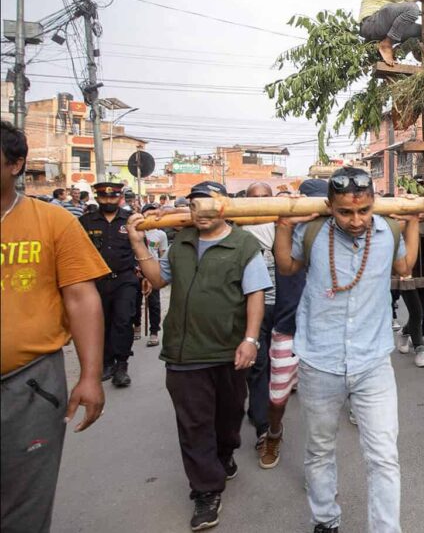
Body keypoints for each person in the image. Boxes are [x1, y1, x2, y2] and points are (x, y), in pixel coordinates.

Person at [273, 167, 420, 533]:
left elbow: (404, 266)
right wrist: (284, 225)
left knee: (384, 456)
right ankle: (325, 519)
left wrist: (413, 222)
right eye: (345, 212)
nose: (356, 220)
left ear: (374, 204)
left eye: (364, 210)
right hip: (319, 361)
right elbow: (287, 266)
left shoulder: (388, 230)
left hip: (373, 362)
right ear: (329, 206)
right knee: (320, 449)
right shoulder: (313, 230)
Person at [128, 181, 271, 531]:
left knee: (228, 417)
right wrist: (137, 243)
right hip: (184, 352)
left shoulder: (244, 245)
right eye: (196, 206)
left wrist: (250, 340)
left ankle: (224, 454)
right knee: (193, 424)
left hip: (228, 350)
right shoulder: (180, 245)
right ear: (189, 209)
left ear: (223, 208)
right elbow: (158, 280)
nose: (202, 214)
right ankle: (205, 492)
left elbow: (255, 294)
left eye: (209, 206)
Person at [0, 121, 108, 533]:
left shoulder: (54, 222)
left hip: (29, 384)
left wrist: (91, 376)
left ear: (15, 164)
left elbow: (82, 298)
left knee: (23, 508)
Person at [262, 178, 328, 470]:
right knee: (277, 398)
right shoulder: (286, 232)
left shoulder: (340, 236)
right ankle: (274, 433)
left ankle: (318, 464)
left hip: (325, 331)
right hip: (288, 326)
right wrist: (286, 224)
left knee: (321, 406)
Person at [79, 181, 139, 388]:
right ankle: (106, 363)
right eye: (104, 197)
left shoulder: (130, 220)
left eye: (113, 197)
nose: (108, 200)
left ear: (120, 197)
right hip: (96, 280)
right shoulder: (85, 221)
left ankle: (122, 366)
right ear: (97, 198)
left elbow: (141, 247)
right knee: (100, 323)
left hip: (125, 279)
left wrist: (145, 275)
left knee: (123, 321)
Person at [239, 182, 281, 466]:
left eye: (265, 197)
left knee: (281, 366)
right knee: (257, 368)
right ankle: (264, 428)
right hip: (250, 309)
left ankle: (269, 415)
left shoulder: (284, 223)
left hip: (283, 307)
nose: (260, 203)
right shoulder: (236, 229)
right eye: (254, 198)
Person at [136, 203, 168, 347]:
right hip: (136, 270)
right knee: (134, 301)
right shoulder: (136, 231)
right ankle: (136, 325)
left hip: (153, 270)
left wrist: (160, 272)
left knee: (154, 303)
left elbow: (162, 254)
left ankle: (154, 331)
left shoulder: (161, 234)